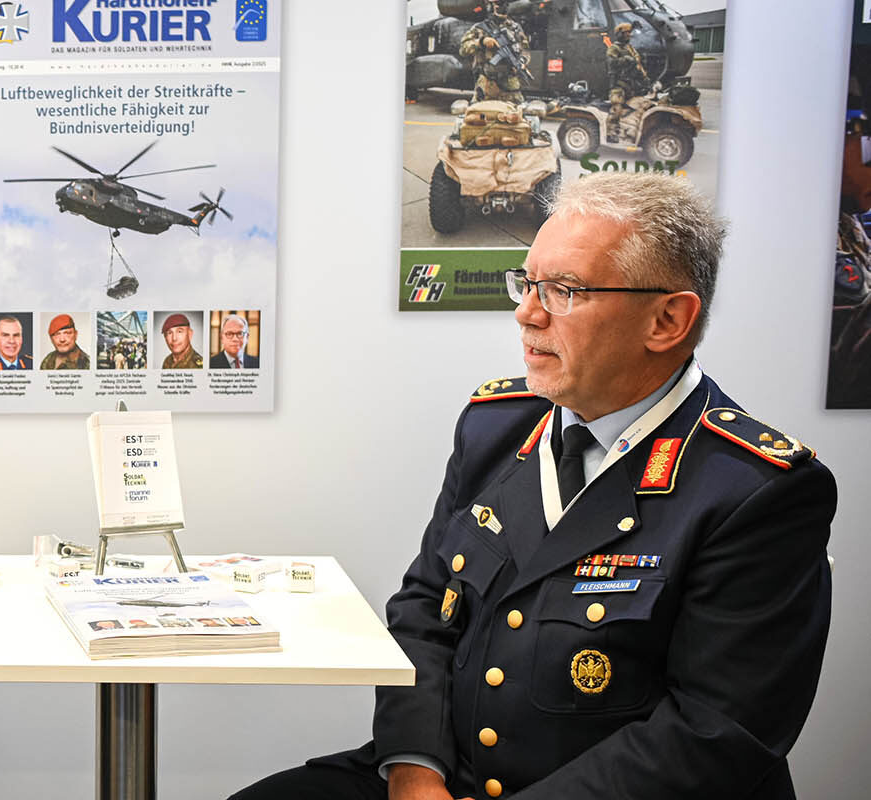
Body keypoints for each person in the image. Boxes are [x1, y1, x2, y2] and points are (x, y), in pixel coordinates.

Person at [231, 172, 835, 800]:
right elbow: (424, 610)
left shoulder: (755, 489)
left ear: (667, 319)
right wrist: (414, 772)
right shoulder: (497, 426)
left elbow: (715, 734)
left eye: (564, 290)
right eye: (527, 283)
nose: (526, 312)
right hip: (445, 773)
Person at [458, 1, 529, 104]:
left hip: (511, 84)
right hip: (487, 83)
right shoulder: (480, 28)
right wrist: (481, 42)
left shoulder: (515, 28)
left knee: (514, 116)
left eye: (504, 4)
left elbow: (525, 50)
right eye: (498, 4)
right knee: (480, 115)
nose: (501, 7)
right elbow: (463, 50)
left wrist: (522, 61)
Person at [607, 22, 650, 139]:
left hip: (632, 85)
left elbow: (638, 65)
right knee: (617, 109)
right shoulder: (614, 48)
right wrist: (625, 60)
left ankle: (630, 132)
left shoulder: (631, 49)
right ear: (619, 34)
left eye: (629, 33)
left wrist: (645, 79)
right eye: (626, 33)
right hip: (619, 85)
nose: (628, 35)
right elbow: (611, 63)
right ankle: (611, 133)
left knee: (636, 109)